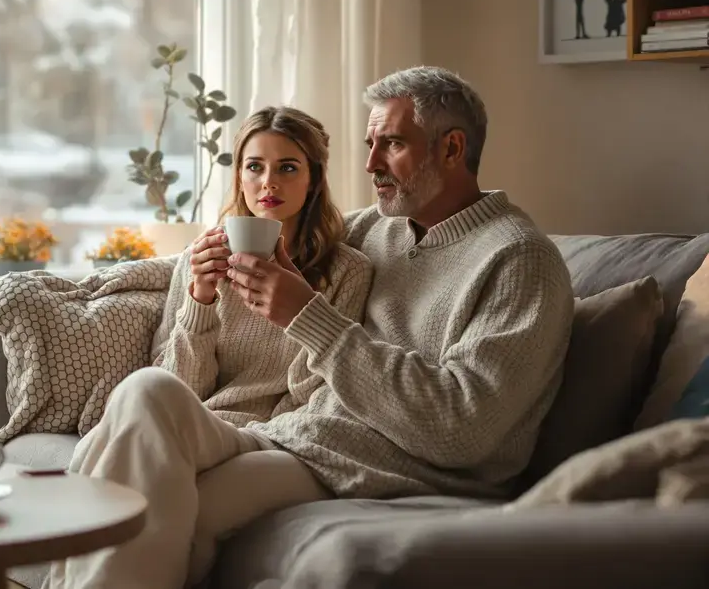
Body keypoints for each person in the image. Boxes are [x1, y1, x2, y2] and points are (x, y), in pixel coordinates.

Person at [42, 66, 575, 589]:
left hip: (391, 467)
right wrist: (204, 278)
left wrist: (306, 314)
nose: (369, 164)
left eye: (390, 144)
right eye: (369, 144)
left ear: (453, 149)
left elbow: (464, 431)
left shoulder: (518, 260)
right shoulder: (376, 228)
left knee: (163, 500)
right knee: (147, 391)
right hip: (296, 437)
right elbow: (297, 235)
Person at [150, 105, 373, 429]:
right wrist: (200, 300)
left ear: (313, 179)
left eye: (288, 168)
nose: (269, 182)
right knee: (138, 392)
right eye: (255, 166)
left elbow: (311, 395)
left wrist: (302, 308)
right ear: (240, 177)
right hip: (189, 425)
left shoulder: (347, 272)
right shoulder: (200, 260)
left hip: (263, 437)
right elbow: (173, 389)